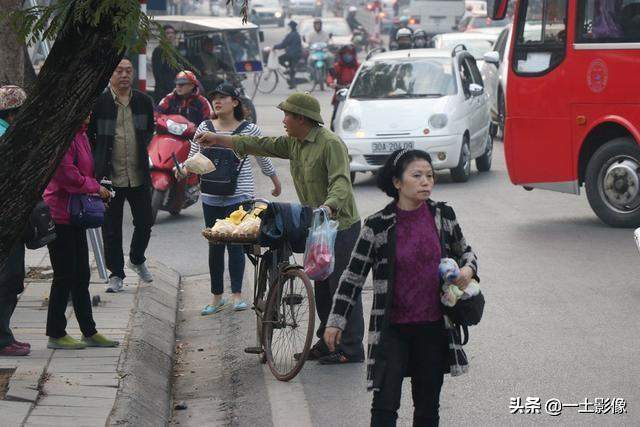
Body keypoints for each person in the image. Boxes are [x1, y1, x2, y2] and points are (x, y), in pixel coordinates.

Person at [195, 93, 365, 365]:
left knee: (340, 286)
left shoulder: (330, 144)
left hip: (339, 225)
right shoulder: (294, 143)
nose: (283, 120)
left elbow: (341, 183)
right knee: (321, 284)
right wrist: (218, 139)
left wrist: (330, 207)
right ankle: (327, 340)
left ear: (301, 118)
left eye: (287, 115)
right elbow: (259, 144)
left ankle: (351, 348)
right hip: (316, 224)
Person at [324, 149, 479, 426]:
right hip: (391, 330)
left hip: (433, 328)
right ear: (397, 182)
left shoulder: (443, 216)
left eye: (430, 176)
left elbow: (466, 253)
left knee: (428, 409)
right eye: (417, 176)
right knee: (384, 408)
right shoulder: (377, 225)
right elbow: (353, 276)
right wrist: (336, 321)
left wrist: (467, 270)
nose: (426, 182)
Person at [181, 82, 281, 314]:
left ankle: (237, 295)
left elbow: (263, 157)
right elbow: (192, 157)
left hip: (240, 195)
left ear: (235, 102)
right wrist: (183, 170)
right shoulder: (204, 127)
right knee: (215, 246)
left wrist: (275, 182)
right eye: (214, 97)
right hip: (211, 195)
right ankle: (217, 297)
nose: (217, 101)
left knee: (236, 246)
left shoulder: (249, 130)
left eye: (223, 97)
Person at [43, 116, 119, 350]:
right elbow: (66, 176)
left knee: (81, 275)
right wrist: (96, 188)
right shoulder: (62, 136)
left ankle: (89, 331)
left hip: (75, 214)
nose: (87, 113)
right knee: (64, 275)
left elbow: (85, 170)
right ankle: (55, 334)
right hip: (60, 215)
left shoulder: (81, 133)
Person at [88, 58, 156, 293]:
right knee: (111, 228)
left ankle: (137, 259)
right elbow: (90, 136)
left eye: (128, 71)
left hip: (138, 175)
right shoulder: (99, 103)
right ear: (111, 74)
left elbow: (149, 131)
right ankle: (116, 273)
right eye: (119, 71)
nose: (124, 75)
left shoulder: (144, 101)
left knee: (145, 222)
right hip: (110, 177)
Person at [0, 85, 31, 356]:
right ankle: (2, 338)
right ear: (12, 114)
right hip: (6, 221)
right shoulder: (6, 136)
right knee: (9, 279)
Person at [328, 44, 360, 129]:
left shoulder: (358, 66)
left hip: (355, 95)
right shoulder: (338, 66)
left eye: (349, 54)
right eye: (345, 54)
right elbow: (330, 76)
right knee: (335, 118)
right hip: (340, 95)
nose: (347, 56)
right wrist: (331, 83)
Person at [152, 24, 181, 103]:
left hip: (175, 88)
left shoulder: (175, 51)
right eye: (167, 33)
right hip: (163, 91)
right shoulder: (158, 50)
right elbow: (157, 73)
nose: (170, 35)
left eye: (172, 33)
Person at [274, 21, 303, 89]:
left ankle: (287, 68)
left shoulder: (290, 35)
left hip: (291, 54)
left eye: (289, 26)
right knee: (292, 70)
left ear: (291, 27)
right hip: (297, 54)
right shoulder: (297, 34)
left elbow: (283, 44)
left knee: (279, 59)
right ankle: (292, 84)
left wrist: (274, 47)